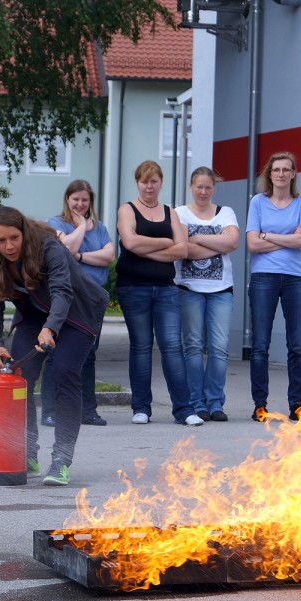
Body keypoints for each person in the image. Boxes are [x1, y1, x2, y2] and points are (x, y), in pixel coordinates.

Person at [0, 206, 109, 486]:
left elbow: (62, 291)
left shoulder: (48, 248)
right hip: (36, 314)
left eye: (14, 238)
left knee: (64, 372)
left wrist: (50, 328)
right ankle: (28, 453)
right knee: (19, 375)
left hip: (78, 312)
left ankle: (61, 459)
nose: (9, 246)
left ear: (24, 233)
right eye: (1, 240)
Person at [114, 161, 201, 426]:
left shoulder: (170, 212)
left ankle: (184, 410)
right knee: (140, 347)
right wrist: (165, 243)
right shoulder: (127, 210)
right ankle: (141, 408)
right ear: (137, 182)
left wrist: (144, 247)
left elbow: (182, 250)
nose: (149, 186)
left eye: (154, 181)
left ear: (160, 182)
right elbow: (129, 242)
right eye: (144, 181)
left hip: (166, 290)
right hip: (133, 288)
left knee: (173, 347)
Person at [246, 151, 301, 423]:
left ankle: (297, 404)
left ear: (294, 174)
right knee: (260, 344)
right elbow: (252, 244)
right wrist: (289, 237)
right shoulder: (258, 203)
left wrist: (268, 236)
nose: (282, 174)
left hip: (297, 278)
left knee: (296, 345)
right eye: (277, 170)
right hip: (264, 277)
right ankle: (259, 405)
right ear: (269, 174)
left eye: (287, 170)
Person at [42, 179, 115, 428]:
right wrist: (82, 226)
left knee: (89, 355)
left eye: (85, 200)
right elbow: (64, 248)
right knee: (55, 353)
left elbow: (109, 256)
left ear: (90, 201)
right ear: (67, 199)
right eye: (76, 199)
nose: (80, 204)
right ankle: (51, 410)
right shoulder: (55, 224)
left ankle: (88, 410)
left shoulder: (102, 228)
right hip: (66, 296)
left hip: (93, 299)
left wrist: (81, 256)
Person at [175, 167, 239, 422]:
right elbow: (182, 250)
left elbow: (232, 243)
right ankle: (196, 403)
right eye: (199, 187)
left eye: (208, 187)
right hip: (188, 289)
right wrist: (216, 245)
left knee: (219, 348)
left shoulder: (226, 213)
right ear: (191, 187)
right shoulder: (179, 213)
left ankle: (215, 403)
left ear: (213, 189)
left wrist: (197, 237)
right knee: (192, 346)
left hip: (221, 290)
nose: (203, 192)